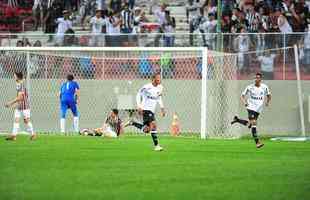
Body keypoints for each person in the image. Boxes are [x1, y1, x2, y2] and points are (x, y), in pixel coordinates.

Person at [124, 73, 166, 151]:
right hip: (145, 109)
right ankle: (157, 146)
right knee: (153, 125)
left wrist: (162, 108)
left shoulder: (160, 87)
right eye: (158, 78)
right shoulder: (146, 87)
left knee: (147, 130)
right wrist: (139, 106)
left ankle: (132, 123)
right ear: (153, 79)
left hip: (152, 110)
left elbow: (159, 97)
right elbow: (138, 94)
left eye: (160, 78)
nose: (160, 79)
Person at [231, 73, 271, 148]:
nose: (256, 79)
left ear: (260, 79)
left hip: (258, 109)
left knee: (250, 124)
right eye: (255, 78)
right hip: (250, 107)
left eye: (258, 78)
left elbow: (269, 95)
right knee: (254, 123)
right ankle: (257, 143)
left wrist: (267, 102)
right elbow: (242, 96)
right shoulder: (249, 87)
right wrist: (245, 103)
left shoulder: (265, 87)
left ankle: (237, 120)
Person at [5, 72, 36, 141]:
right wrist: (16, 105)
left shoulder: (21, 85)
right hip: (19, 106)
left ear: (18, 77)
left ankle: (33, 134)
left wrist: (10, 103)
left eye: (15, 76)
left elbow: (20, 98)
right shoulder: (19, 84)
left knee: (26, 120)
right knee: (16, 120)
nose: (14, 77)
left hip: (25, 106)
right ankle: (13, 136)